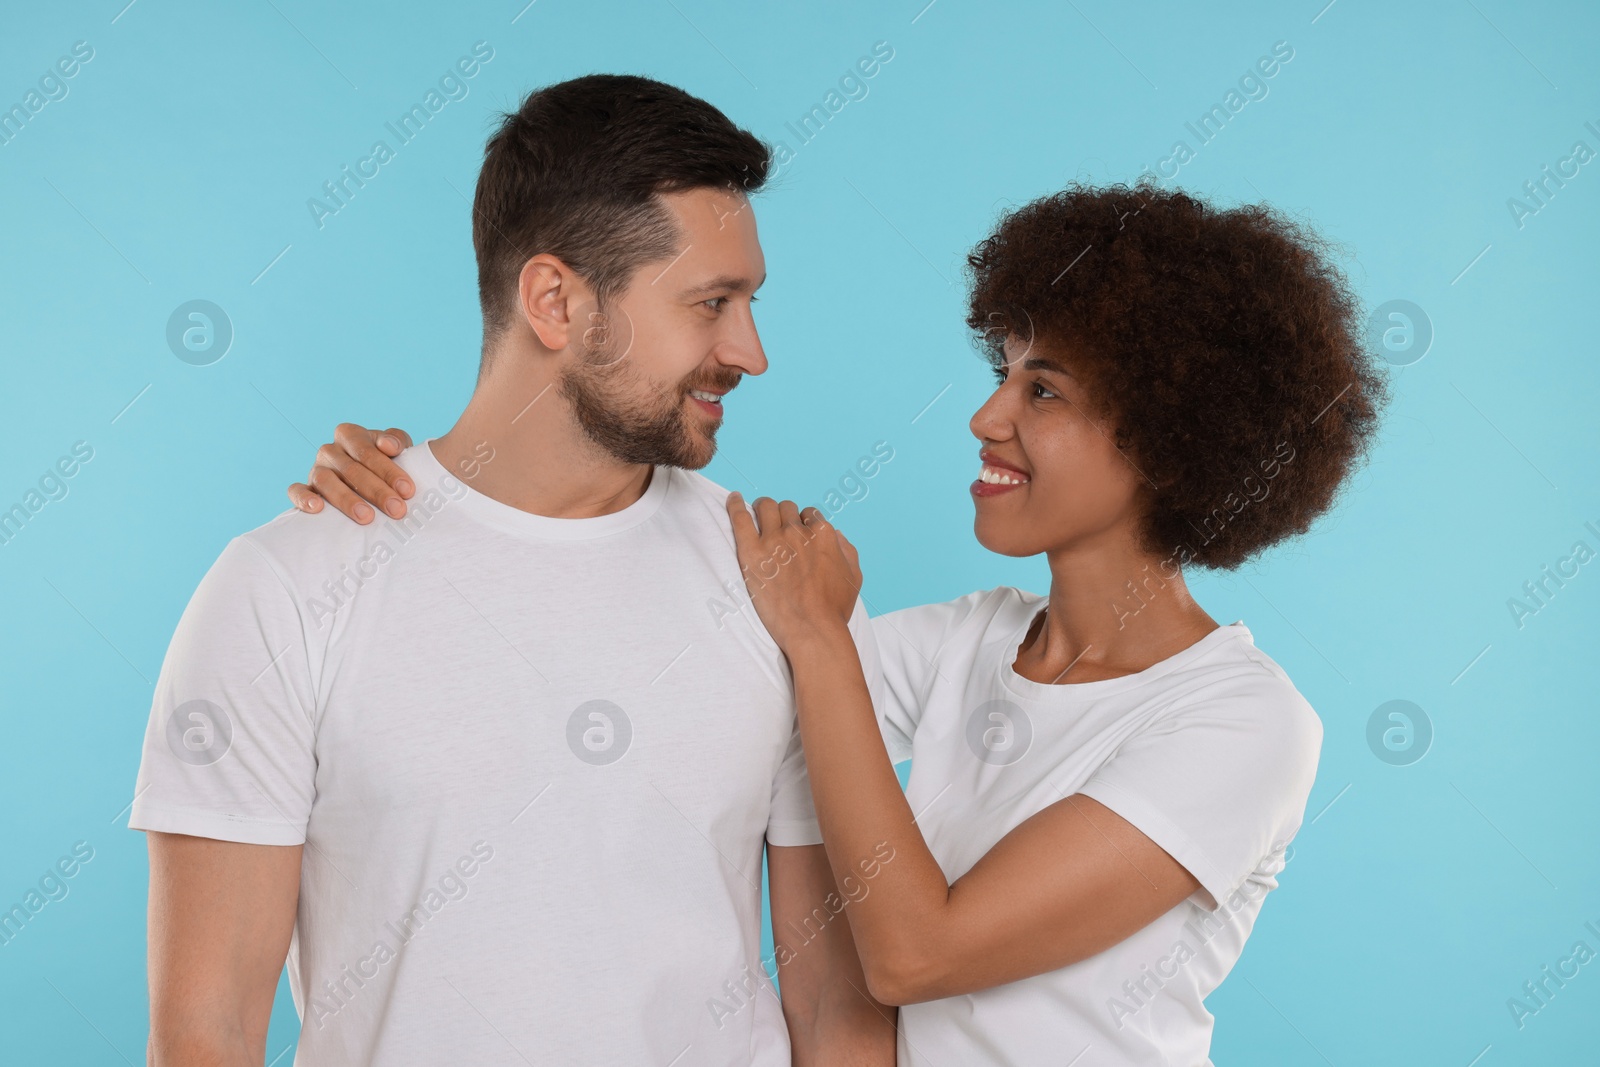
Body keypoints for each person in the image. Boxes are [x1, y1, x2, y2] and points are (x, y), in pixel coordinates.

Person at [297, 182, 1389, 1065]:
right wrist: (442, 489)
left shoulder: (1241, 723)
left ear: (1168, 433)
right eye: (1002, 370)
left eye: (1042, 391)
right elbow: (685, 641)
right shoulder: (967, 645)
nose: (987, 414)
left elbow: (917, 953)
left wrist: (820, 637)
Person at [129, 75, 895, 1067]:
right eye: (712, 302)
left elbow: (833, 1001)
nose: (747, 350)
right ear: (554, 300)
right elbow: (207, 1032)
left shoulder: (785, 593)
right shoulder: (284, 587)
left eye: (748, 301)